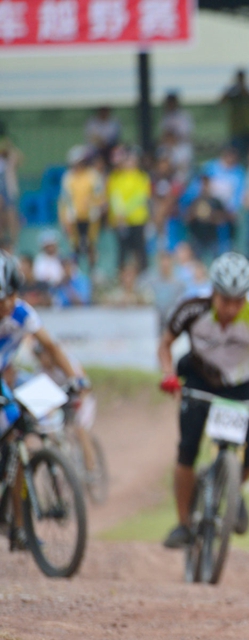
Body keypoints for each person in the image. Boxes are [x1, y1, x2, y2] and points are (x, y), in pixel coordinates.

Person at [157, 253, 249, 549]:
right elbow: (165, 344)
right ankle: (184, 524)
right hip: (199, 382)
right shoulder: (191, 307)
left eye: (238, 301)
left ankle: (231, 490)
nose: (231, 308)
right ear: (213, 292)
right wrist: (168, 374)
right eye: (225, 300)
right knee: (186, 451)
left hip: (241, 387)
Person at [0, 252, 89, 548]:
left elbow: (49, 343)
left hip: (8, 379)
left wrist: (75, 378)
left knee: (20, 445)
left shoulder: (22, 313)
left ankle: (20, 527)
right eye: (3, 297)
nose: (9, 304)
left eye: (12, 295)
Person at [59, 145, 105, 272]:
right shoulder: (68, 177)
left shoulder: (93, 176)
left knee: (91, 245)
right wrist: (64, 219)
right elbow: (64, 200)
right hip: (74, 217)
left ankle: (93, 270)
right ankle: (75, 270)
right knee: (75, 246)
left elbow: (99, 196)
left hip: (91, 216)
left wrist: (95, 207)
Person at [107, 147, 151, 273]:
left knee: (140, 249)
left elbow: (140, 197)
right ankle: (121, 274)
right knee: (122, 250)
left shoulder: (142, 177)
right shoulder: (116, 178)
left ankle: (143, 273)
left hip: (137, 219)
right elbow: (115, 197)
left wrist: (125, 212)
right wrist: (120, 214)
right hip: (120, 222)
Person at [220, 69, 249, 156]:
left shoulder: (248, 91)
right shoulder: (232, 93)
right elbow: (221, 102)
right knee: (236, 154)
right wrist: (231, 90)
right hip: (236, 131)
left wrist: (244, 90)